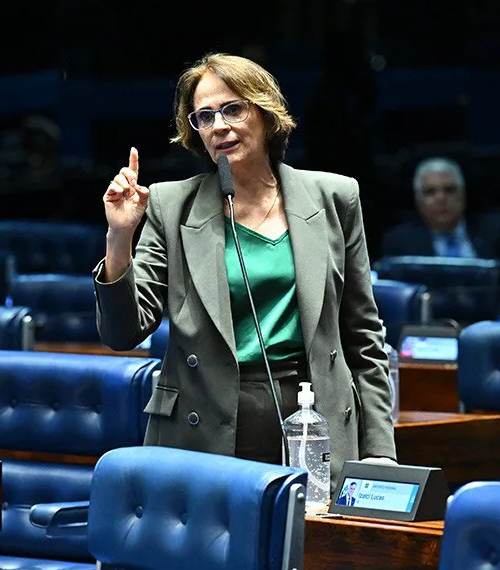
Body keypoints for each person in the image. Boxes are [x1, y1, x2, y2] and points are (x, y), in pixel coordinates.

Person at [92, 53, 396, 491]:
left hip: (315, 419)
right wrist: (119, 237)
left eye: (233, 109)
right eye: (204, 116)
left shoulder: (334, 197)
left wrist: (380, 449)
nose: (219, 126)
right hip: (202, 425)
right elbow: (123, 333)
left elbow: (363, 335)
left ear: (266, 114)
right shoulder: (169, 205)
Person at [379, 157, 500, 260]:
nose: (441, 198)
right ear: (417, 200)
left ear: (463, 194)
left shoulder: (496, 231)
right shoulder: (399, 241)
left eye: (449, 189)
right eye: (430, 192)